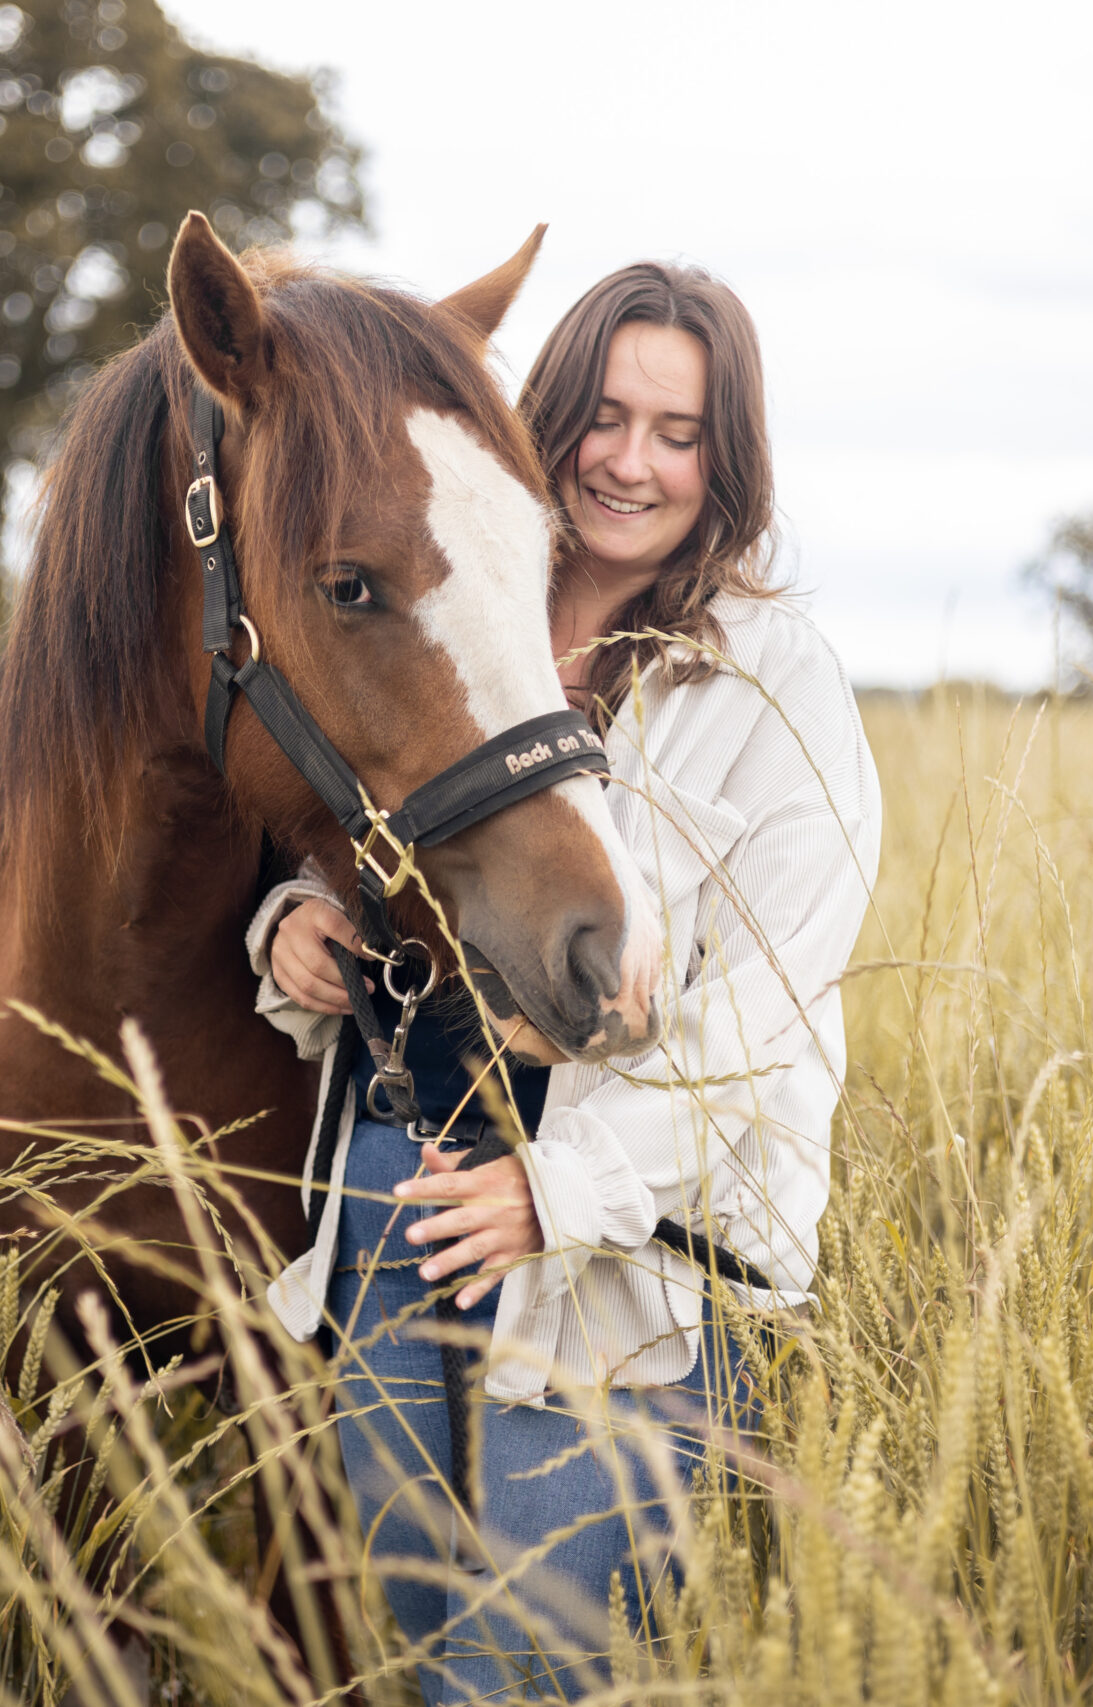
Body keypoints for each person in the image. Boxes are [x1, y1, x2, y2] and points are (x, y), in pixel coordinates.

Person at [246, 261, 883, 1701]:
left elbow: (762, 1013)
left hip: (628, 1256)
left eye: (679, 431)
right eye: (603, 415)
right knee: (395, 1659)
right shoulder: (461, 590)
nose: (631, 461)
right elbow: (348, 792)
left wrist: (563, 1192)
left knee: (521, 1679)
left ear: (728, 461)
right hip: (402, 1186)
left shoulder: (775, 683)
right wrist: (289, 916)